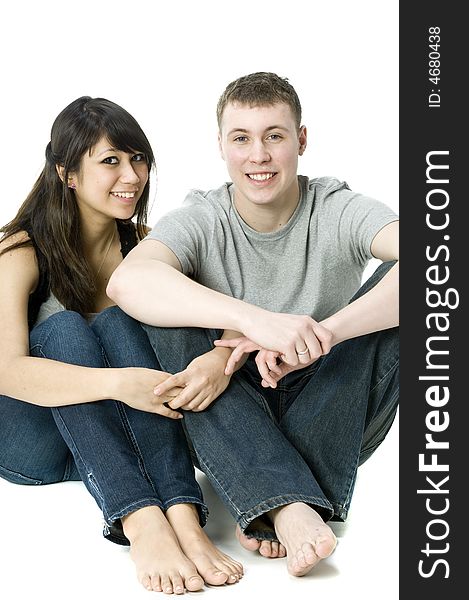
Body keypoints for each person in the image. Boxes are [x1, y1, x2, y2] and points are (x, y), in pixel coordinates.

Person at [107, 72, 399, 578]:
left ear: (301, 140)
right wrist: (254, 323)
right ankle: (288, 505)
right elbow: (126, 283)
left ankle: (264, 496)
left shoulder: (336, 207)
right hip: (233, 411)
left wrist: (324, 334)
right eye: (241, 138)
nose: (258, 156)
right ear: (221, 145)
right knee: (158, 314)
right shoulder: (205, 216)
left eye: (275, 136)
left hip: (334, 400)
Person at [0, 96, 244, 595]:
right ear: (67, 173)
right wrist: (120, 383)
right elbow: (4, 370)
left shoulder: (148, 248)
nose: (131, 175)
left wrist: (219, 359)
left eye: (138, 159)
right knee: (64, 330)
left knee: (121, 324)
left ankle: (182, 514)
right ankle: (140, 521)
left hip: (125, 439)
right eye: (110, 161)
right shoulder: (21, 249)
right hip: (33, 442)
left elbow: (231, 318)